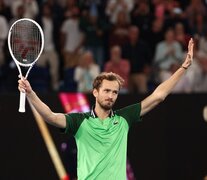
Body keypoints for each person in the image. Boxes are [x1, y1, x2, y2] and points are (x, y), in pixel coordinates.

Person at [18, 39, 194, 179]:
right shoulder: (80, 121)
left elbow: (158, 96)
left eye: (115, 92)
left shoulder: (124, 118)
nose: (111, 96)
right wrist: (31, 93)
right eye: (107, 91)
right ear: (95, 92)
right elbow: (50, 116)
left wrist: (183, 67)